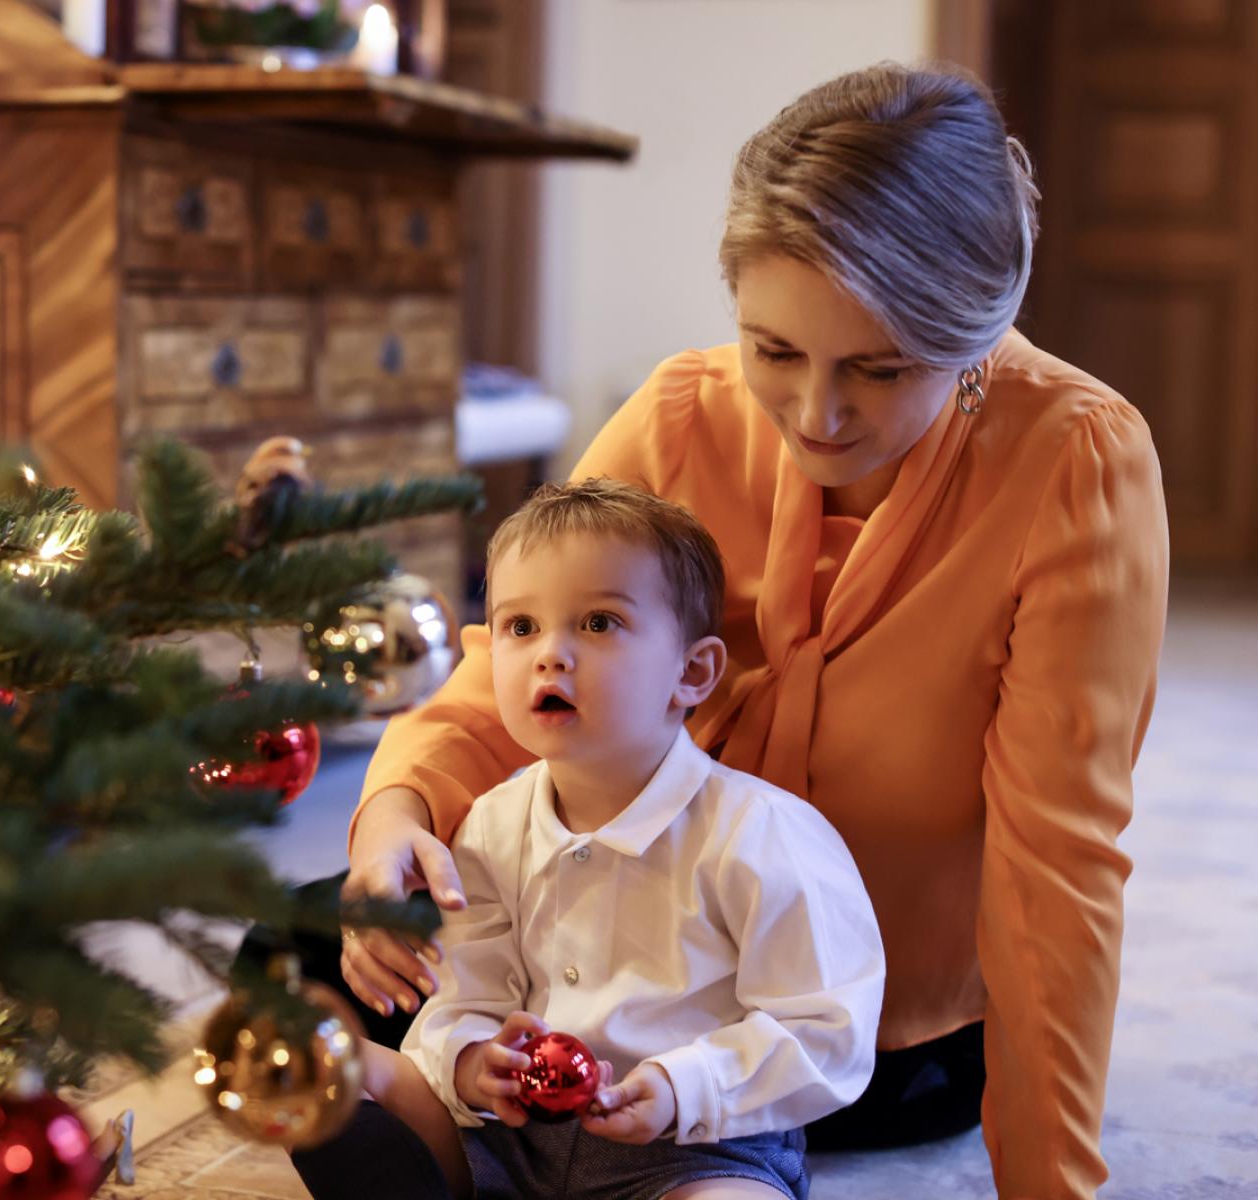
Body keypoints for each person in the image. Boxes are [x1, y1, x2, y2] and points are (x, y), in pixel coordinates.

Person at [295, 60, 1171, 1200]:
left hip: (841, 1034)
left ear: (972, 342)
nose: (817, 414)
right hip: (578, 972)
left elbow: (1056, 866)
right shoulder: (676, 415)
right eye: (775, 352)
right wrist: (398, 819)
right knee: (308, 950)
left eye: (880, 368)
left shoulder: (1075, 462)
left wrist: (1049, 1183)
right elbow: (516, 666)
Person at [349, 478, 885, 1200]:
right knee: (352, 1072)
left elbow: (827, 1032)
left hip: (694, 1149)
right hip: (511, 1141)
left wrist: (679, 1087)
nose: (550, 655)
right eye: (520, 627)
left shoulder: (763, 836)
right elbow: (464, 994)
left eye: (598, 624)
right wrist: (475, 1061)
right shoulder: (490, 825)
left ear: (691, 672)